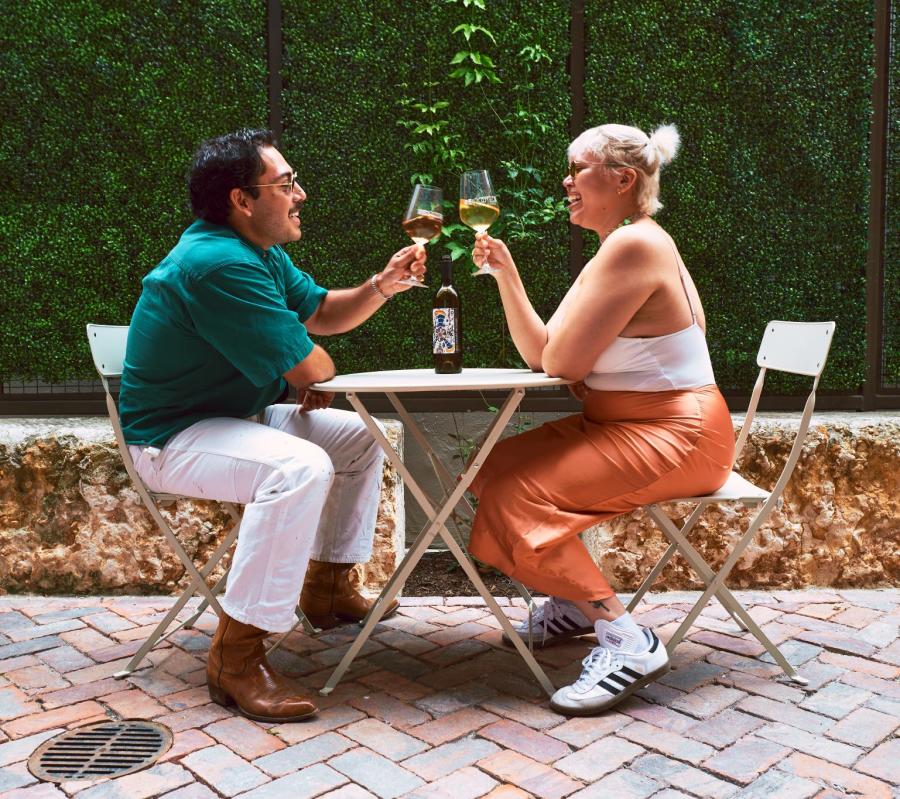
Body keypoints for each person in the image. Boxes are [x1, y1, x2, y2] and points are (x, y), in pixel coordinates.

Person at [119, 128, 426, 722]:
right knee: (299, 465)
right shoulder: (217, 265)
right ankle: (235, 658)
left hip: (236, 418)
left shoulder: (257, 252)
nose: (300, 194)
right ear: (242, 199)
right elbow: (316, 364)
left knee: (359, 438)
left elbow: (322, 314)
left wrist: (382, 286)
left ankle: (329, 589)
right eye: (285, 184)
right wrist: (299, 370)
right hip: (173, 438)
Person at [467, 123, 734, 716]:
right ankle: (573, 600)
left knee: (516, 493)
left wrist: (571, 363)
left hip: (678, 434)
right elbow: (544, 354)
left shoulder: (634, 246)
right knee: (492, 468)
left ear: (622, 179)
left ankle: (625, 638)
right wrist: (507, 275)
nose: (566, 181)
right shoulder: (618, 244)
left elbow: (560, 362)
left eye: (578, 169)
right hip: (627, 425)